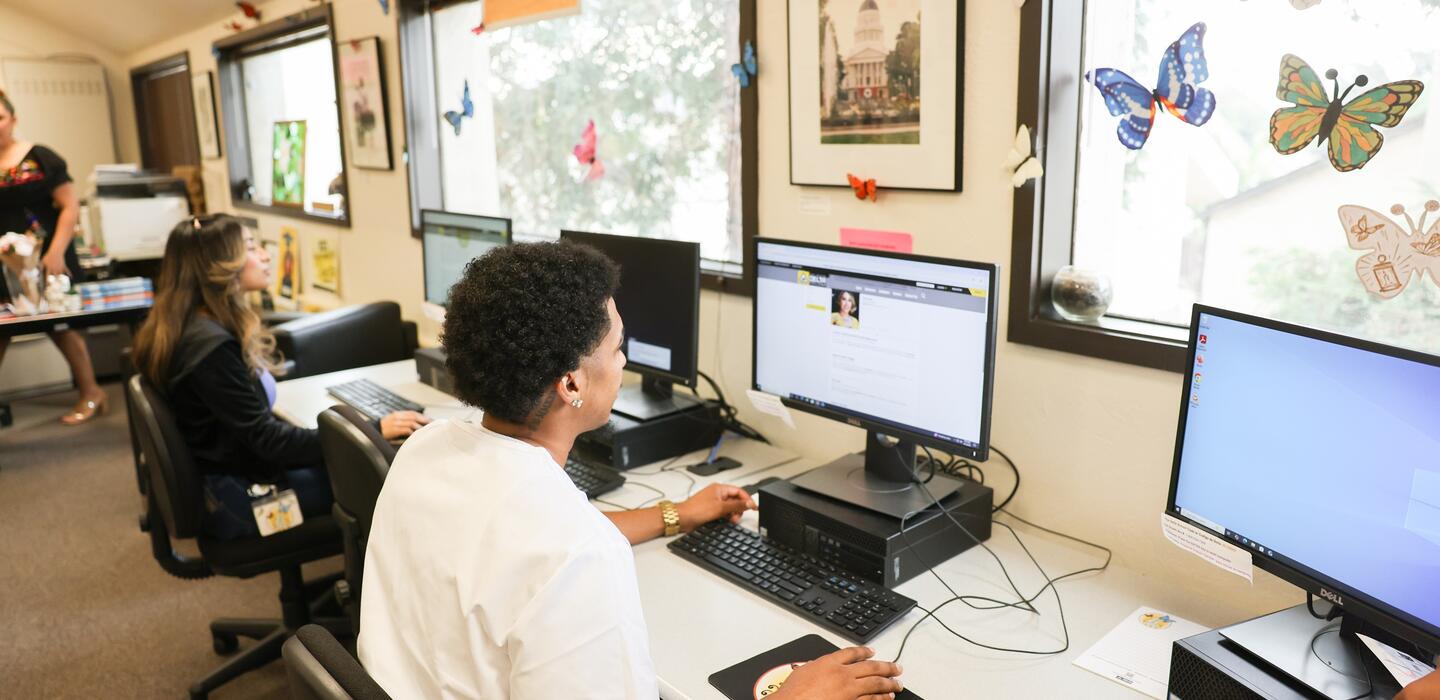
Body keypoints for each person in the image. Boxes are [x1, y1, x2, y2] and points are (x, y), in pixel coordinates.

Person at [359, 241, 905, 699]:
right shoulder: (575, 553)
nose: (623, 361)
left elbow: (522, 547)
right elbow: (556, 552)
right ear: (571, 382)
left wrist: (677, 514)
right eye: (617, 346)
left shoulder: (426, 448)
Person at [131, 215, 429, 539]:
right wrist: (372, 430)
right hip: (244, 501)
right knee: (386, 480)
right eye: (250, 247)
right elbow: (270, 442)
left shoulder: (184, 327)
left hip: (228, 479)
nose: (265, 255)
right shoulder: (210, 348)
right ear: (220, 266)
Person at [0, 88, 107, 425]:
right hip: (4, 262)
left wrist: (56, 251)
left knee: (60, 327)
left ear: (13, 119)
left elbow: (69, 206)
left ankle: (92, 392)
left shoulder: (41, 157)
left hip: (48, 256)